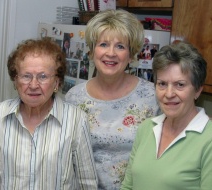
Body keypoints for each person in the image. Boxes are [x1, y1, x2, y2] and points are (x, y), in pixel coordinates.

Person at [64, 9, 160, 190]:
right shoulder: (74, 97)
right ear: (92, 51)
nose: (111, 53)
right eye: (103, 44)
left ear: (131, 55)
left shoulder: (152, 96)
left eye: (120, 46)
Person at [0, 37, 98, 189]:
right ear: (15, 80)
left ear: (57, 82)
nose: (33, 85)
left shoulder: (76, 120)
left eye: (43, 76)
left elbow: (87, 183)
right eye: (26, 76)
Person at [121, 41, 212, 189]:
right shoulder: (147, 128)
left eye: (180, 85)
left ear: (197, 90)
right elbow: (128, 186)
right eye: (162, 84)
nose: (169, 94)